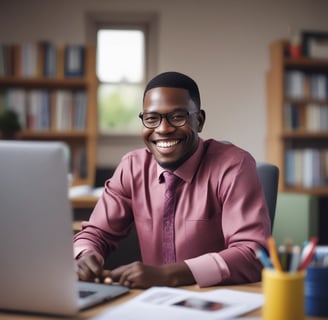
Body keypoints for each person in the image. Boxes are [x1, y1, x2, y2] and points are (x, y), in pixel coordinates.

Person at [73, 71, 271, 289]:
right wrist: (84, 255)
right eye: (151, 118)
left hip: (215, 299)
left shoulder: (234, 166)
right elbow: (96, 233)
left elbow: (253, 254)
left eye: (177, 117)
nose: (163, 129)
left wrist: (169, 275)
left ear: (199, 120)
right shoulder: (132, 167)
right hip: (152, 303)